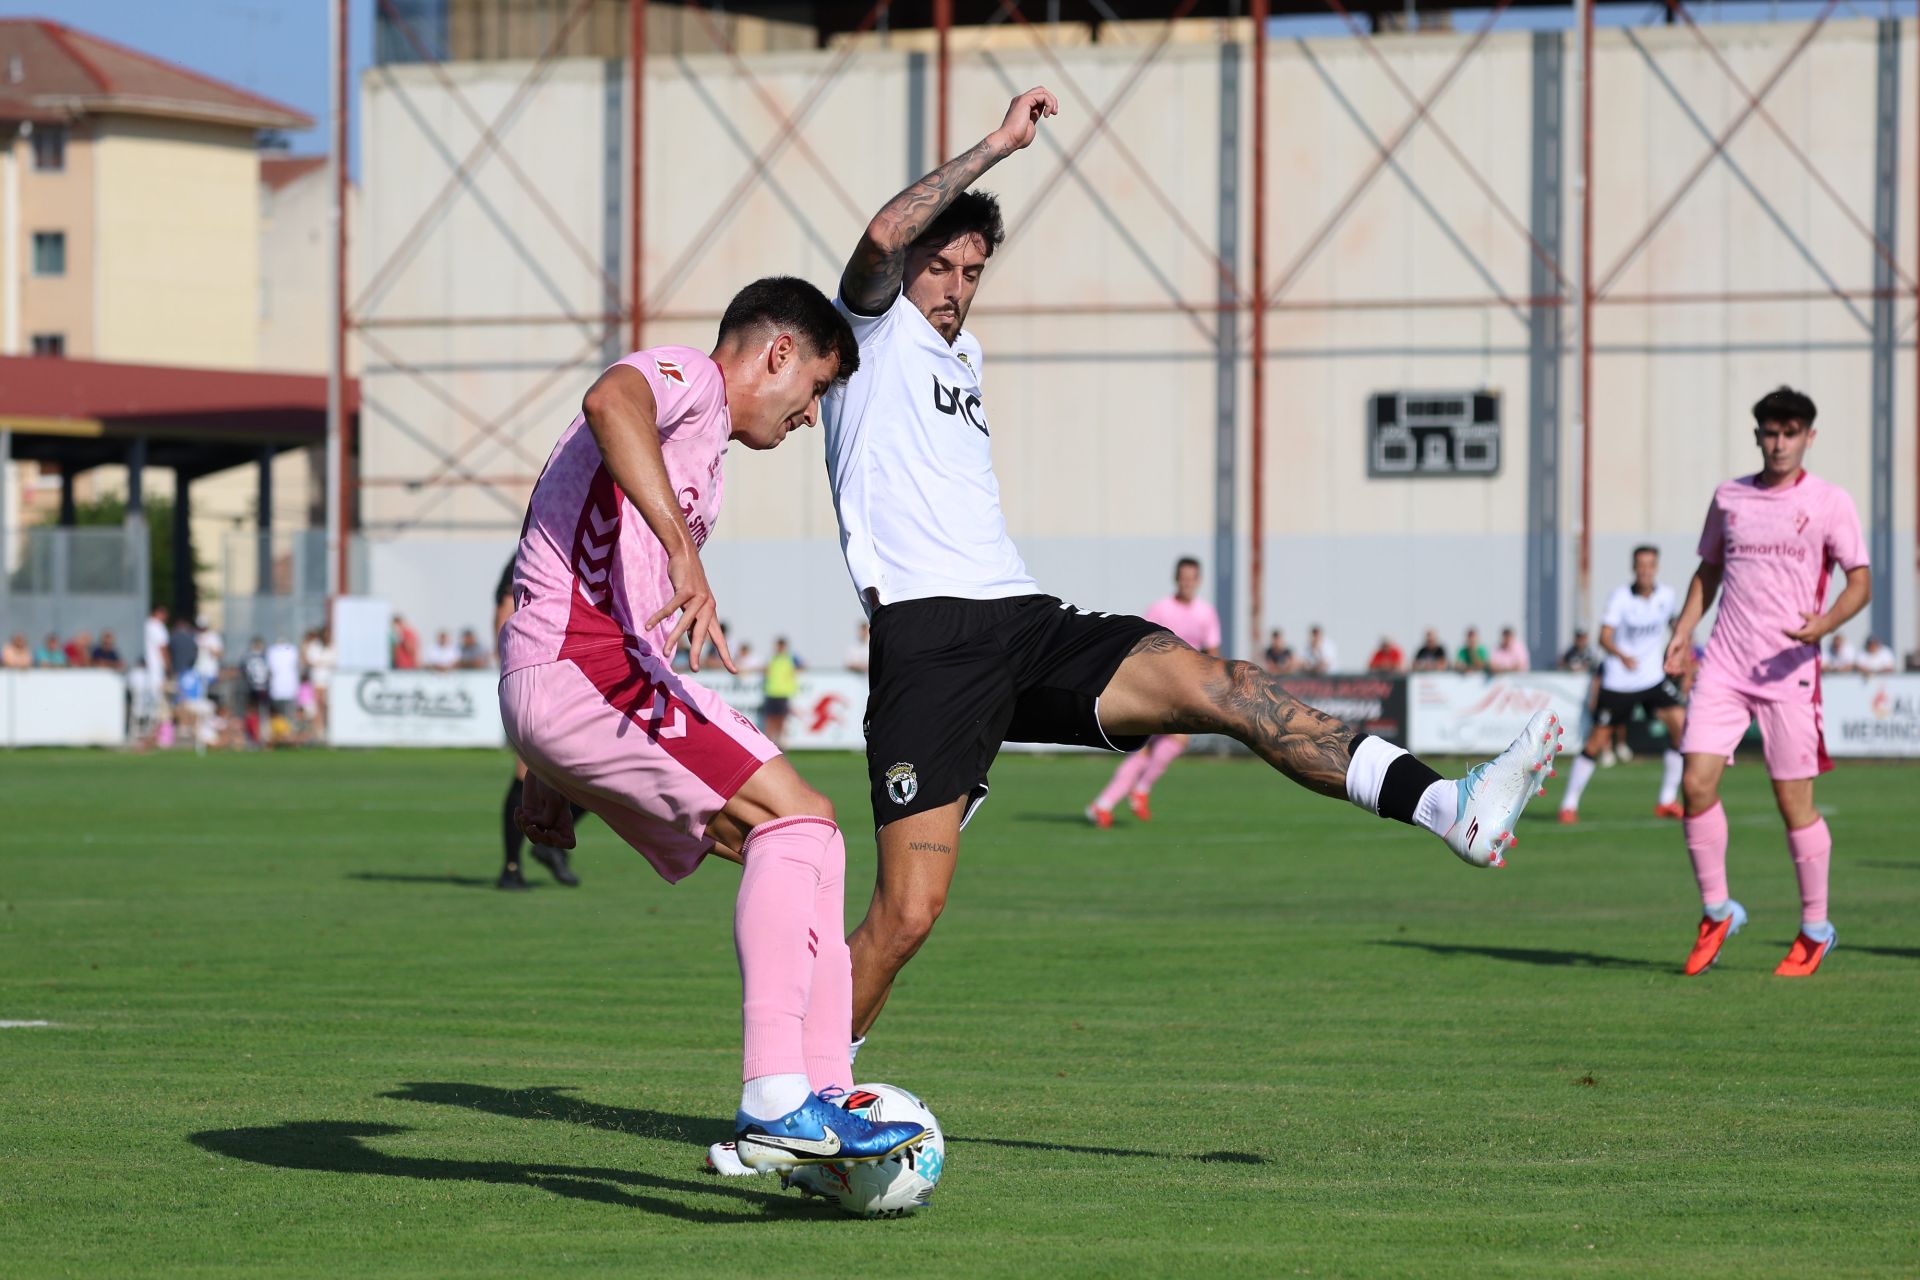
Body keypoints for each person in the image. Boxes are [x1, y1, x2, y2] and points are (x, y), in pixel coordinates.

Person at [821, 87, 1563, 1051]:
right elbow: (883, 232)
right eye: (942, 267)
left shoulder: (967, 358)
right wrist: (1001, 147)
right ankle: (791, 1099)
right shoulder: (867, 330)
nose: (956, 287)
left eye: (972, 271)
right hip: (931, 640)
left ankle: (1447, 808)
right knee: (907, 916)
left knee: (1228, 687)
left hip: (1025, 621)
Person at [496, 275, 927, 1172]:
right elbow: (609, 398)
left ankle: (812, 1098)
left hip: (575, 678)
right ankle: (776, 1100)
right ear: (777, 354)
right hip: (588, 665)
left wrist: (546, 770)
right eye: (812, 388)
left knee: (815, 836)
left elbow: (560, 542)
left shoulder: (705, 454)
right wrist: (686, 552)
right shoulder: (686, 376)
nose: (809, 415)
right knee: (798, 819)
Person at [1665, 387, 1870, 978]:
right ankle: (1715, 910)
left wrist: (1826, 623)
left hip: (1789, 672)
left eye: (1791, 432)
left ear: (1809, 437)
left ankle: (1815, 928)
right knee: (1695, 783)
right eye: (1771, 432)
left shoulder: (1831, 502)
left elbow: (1861, 581)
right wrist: (1683, 630)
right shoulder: (1730, 498)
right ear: (1758, 436)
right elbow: (1710, 568)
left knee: (1792, 802)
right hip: (1726, 664)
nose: (1780, 443)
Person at [1086, 556, 1222, 827]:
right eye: (1183, 577)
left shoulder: (1205, 612)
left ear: (1198, 580)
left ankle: (1103, 805)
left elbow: (1213, 652)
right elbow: (1142, 645)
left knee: (1150, 750)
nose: (1187, 582)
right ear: (1176, 579)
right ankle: (1140, 790)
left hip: (1188, 688)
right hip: (1159, 686)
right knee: (1175, 741)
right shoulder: (1160, 609)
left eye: (1192, 578)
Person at [1557, 546, 1687, 824]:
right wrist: (1621, 655)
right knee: (1596, 742)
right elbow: (1603, 637)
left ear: (1656, 568)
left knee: (1682, 727)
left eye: (1650, 565)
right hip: (1619, 681)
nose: (1645, 570)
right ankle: (1569, 804)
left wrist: (1681, 645)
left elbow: (1676, 625)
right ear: (1633, 567)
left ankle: (1666, 800)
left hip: (1652, 679)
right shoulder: (1620, 598)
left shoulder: (1666, 596)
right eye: (1640, 565)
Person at [494, 556, 584, 892]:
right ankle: (511, 866)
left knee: (589, 770)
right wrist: (516, 675)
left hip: (567, 676)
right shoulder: (526, 556)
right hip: (535, 677)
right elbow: (504, 614)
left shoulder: (578, 549)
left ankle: (546, 841)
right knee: (525, 775)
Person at [761, 637, 799, 747]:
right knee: (770, 720)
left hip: (782, 693)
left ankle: (780, 744)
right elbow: (766, 670)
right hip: (771, 692)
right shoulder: (772, 658)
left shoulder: (790, 658)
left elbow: (802, 665)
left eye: (779, 646)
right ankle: (769, 745)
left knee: (780, 721)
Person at [303, 627, 336, 734]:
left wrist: (321, 662)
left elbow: (334, 662)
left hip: (330, 680)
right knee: (318, 704)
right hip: (317, 679)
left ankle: (329, 728)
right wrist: (324, 662)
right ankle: (319, 729)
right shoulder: (314, 646)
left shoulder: (333, 646)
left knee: (328, 704)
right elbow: (310, 661)